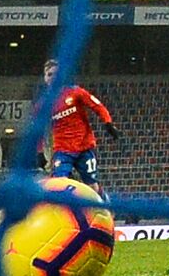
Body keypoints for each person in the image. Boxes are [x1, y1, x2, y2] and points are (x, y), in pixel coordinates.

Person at [40, 58, 120, 197]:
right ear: (45, 78)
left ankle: (106, 205)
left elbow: (98, 106)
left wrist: (108, 123)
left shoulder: (75, 92)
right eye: (49, 74)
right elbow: (37, 130)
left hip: (84, 147)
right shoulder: (43, 104)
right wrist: (39, 152)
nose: (53, 78)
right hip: (63, 150)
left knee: (92, 187)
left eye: (56, 74)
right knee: (59, 184)